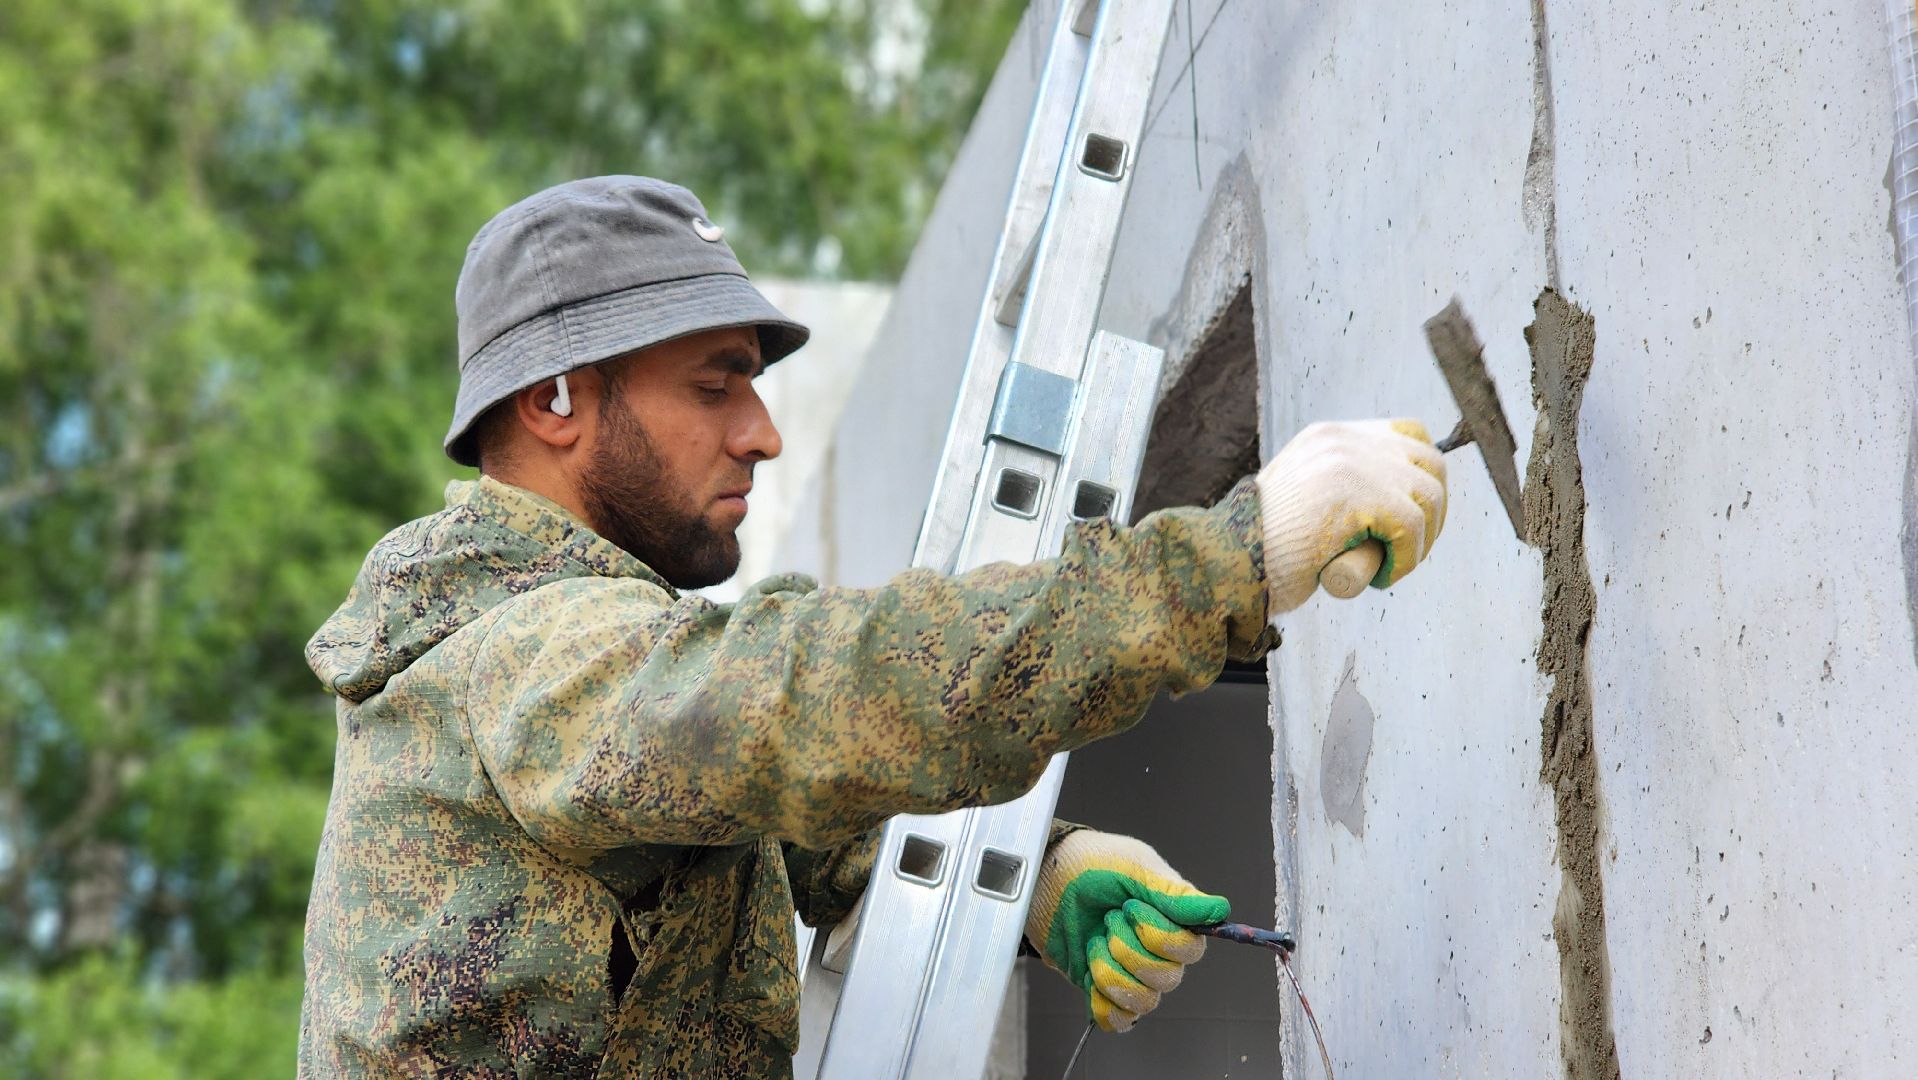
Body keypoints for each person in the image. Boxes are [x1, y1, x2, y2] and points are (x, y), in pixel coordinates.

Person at [298, 176, 1447, 1078]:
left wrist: (1043, 882)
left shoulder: (574, 673)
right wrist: (1239, 556)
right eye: (715, 385)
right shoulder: (527, 660)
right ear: (553, 399)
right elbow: (802, 702)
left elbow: (747, 811)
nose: (761, 433)